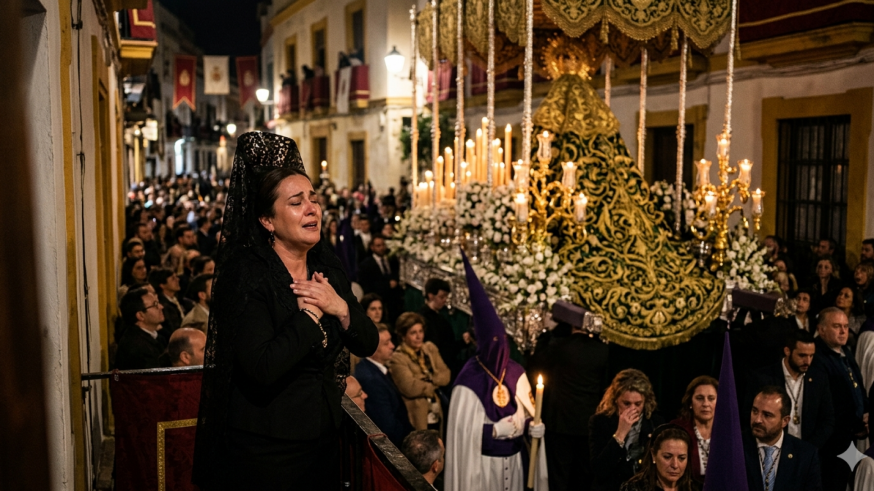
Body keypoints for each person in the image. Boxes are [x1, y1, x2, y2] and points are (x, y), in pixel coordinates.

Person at [191, 132, 379, 490]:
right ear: (267, 221)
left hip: (324, 444)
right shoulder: (247, 276)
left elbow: (368, 341)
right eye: (296, 202)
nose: (312, 209)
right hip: (267, 452)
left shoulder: (327, 268)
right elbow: (262, 367)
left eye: (313, 199)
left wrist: (339, 307)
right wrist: (310, 316)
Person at [445, 253, 547, 491]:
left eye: (503, 340)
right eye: (494, 342)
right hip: (482, 468)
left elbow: (529, 413)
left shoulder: (516, 372)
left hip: (514, 463)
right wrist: (494, 431)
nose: (500, 347)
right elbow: (463, 437)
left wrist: (533, 427)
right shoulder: (468, 380)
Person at [541, 320, 609, 491]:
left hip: (560, 422)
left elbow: (539, 359)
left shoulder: (559, 347)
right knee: (583, 477)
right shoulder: (602, 350)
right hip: (587, 424)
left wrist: (548, 330)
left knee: (558, 477)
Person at [811, 306, 868, 491]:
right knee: (833, 483)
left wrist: (866, 413)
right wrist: (855, 423)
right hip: (833, 443)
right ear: (821, 329)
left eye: (845, 326)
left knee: (846, 481)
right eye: (837, 326)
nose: (844, 331)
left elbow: (858, 386)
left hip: (851, 437)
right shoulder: (818, 358)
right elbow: (831, 402)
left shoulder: (846, 351)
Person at [751, 329, 834, 449]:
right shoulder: (764, 378)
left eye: (811, 356)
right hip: (770, 449)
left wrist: (808, 449)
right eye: (802, 355)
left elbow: (828, 420)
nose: (808, 361)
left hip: (807, 451)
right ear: (787, 351)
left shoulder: (819, 379)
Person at [589, 369, 665, 491]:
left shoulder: (655, 423)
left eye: (638, 404)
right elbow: (600, 470)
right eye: (627, 403)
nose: (632, 409)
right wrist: (621, 433)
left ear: (645, 401)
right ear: (616, 400)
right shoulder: (600, 422)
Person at [743, 387, 822, 491]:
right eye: (755, 411)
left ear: (785, 421)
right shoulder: (735, 446)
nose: (758, 420)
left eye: (767, 415)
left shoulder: (805, 455)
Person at [390, 312, 450, 431]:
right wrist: (434, 383)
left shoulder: (429, 348)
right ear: (403, 336)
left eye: (420, 331)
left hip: (437, 410)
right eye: (413, 333)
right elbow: (410, 387)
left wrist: (428, 380)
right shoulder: (398, 358)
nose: (419, 337)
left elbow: (446, 375)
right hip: (417, 416)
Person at [354, 323, 414, 445]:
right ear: (372, 348)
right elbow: (387, 426)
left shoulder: (374, 370)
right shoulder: (371, 380)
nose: (392, 346)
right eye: (386, 343)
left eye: (391, 341)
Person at [619, 425, 700, 491]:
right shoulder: (634, 488)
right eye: (667, 457)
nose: (675, 465)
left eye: (681, 458)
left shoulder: (698, 488)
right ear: (653, 455)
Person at [669, 376, 718, 483]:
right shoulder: (677, 429)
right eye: (700, 398)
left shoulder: (727, 432)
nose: (705, 404)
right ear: (690, 402)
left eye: (711, 398)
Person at [419, 277, 461, 381]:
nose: (444, 300)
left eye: (446, 297)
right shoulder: (425, 318)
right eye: (441, 297)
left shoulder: (438, 315)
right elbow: (441, 348)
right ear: (431, 296)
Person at [115, 287, 166, 370]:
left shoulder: (151, 336)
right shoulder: (137, 347)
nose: (161, 307)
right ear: (140, 315)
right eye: (155, 304)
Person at [357, 235, 403, 325]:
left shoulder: (391, 259)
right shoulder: (365, 265)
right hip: (378, 300)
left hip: (394, 303)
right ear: (372, 247)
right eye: (378, 246)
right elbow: (367, 285)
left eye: (383, 245)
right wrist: (387, 285)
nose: (382, 248)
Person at [148, 268, 192, 341]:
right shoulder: (163, 305)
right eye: (173, 278)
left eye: (176, 277)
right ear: (162, 285)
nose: (178, 279)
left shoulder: (181, 301)